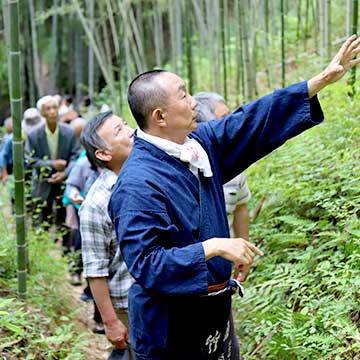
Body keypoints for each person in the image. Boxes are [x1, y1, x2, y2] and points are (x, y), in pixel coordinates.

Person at [108, 35, 360, 360]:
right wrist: (214, 247)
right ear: (160, 116)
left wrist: (317, 83)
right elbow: (147, 264)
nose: (194, 103)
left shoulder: (198, 144)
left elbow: (249, 120)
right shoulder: (137, 183)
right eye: (184, 95)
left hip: (215, 314)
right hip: (169, 329)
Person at [79, 111, 135, 359]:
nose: (131, 131)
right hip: (128, 304)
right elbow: (95, 270)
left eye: (125, 125)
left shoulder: (146, 176)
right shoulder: (97, 202)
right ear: (103, 154)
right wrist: (111, 322)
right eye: (119, 131)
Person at [194, 92, 251, 240]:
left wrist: (244, 248)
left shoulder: (234, 166)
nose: (231, 124)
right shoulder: (186, 168)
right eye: (224, 119)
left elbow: (240, 209)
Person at [25, 95, 79, 244]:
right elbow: (29, 160)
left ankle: (67, 252)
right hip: (43, 182)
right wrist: (51, 164)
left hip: (64, 181)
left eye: (55, 107)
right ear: (42, 113)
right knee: (42, 217)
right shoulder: (33, 135)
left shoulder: (69, 132)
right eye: (48, 109)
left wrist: (65, 173)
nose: (53, 111)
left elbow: (75, 156)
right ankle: (41, 247)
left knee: (65, 217)